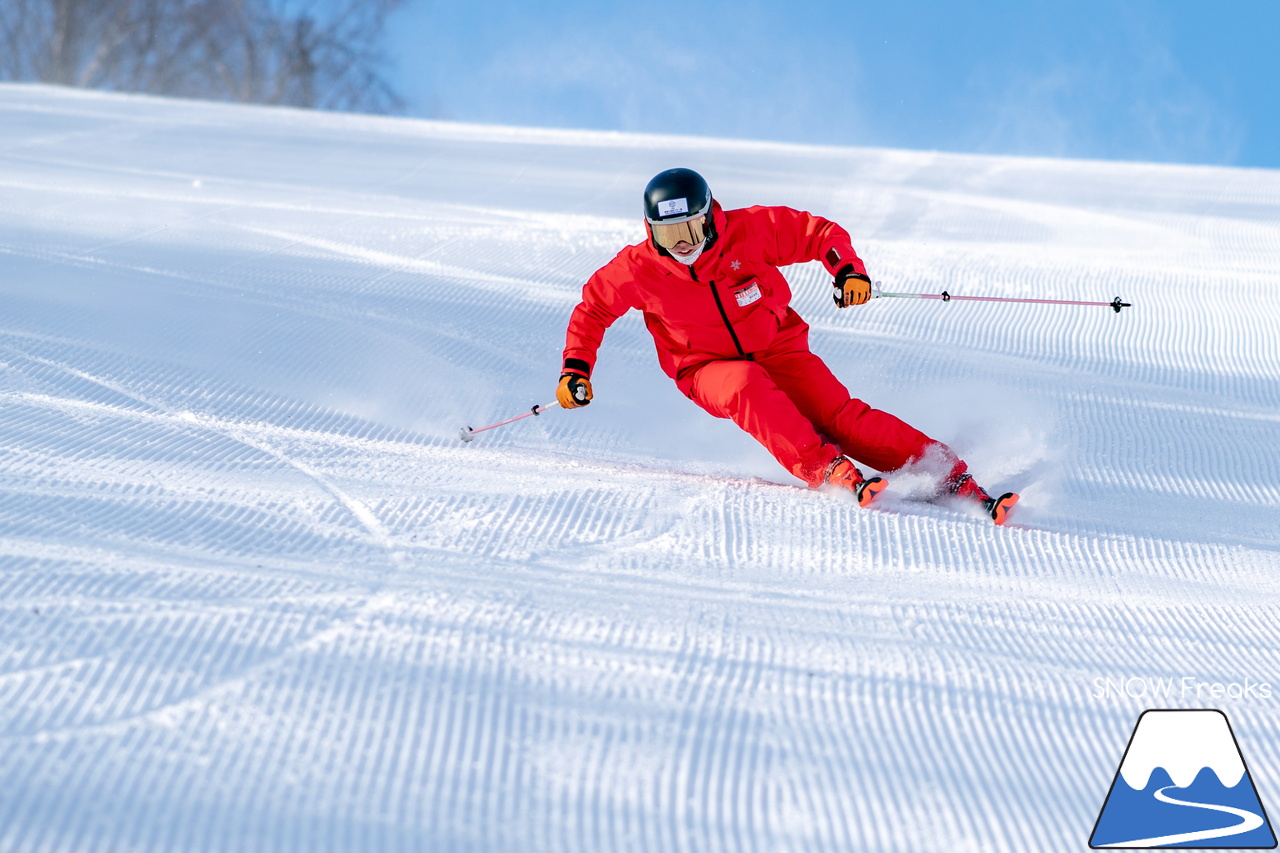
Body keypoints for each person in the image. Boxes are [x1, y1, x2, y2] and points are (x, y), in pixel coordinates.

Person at [554, 168, 1019, 524]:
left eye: (690, 231)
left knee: (840, 416)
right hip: (704, 366)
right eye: (667, 235)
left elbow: (819, 235)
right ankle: (827, 468)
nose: (681, 246)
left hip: (777, 343)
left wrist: (847, 271)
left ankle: (945, 471)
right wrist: (575, 369)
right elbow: (593, 309)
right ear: (650, 229)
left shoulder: (749, 231)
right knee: (746, 384)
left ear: (709, 217)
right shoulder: (637, 269)